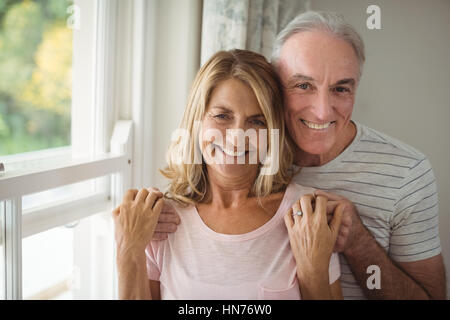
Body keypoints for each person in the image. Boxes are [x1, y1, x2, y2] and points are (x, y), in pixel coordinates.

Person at [154, 12, 446, 300]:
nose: (322, 111)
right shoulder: (243, 158)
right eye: (304, 85)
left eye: (340, 88)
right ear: (274, 86)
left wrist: (358, 243)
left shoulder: (406, 172)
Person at [112, 49, 345, 300]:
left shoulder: (305, 216)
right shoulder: (158, 223)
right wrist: (128, 249)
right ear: (196, 121)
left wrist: (313, 273)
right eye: (222, 116)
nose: (236, 138)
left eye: (256, 121)